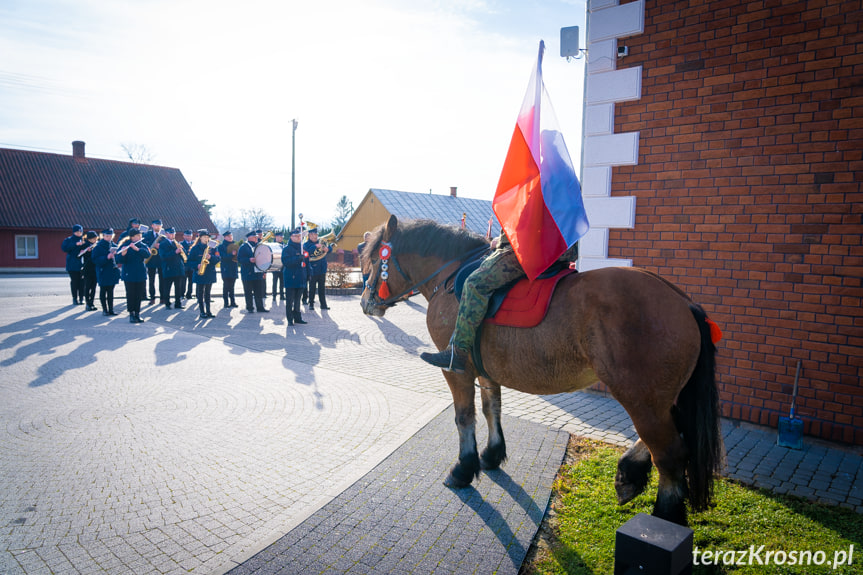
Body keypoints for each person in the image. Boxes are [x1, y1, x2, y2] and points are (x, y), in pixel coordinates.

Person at [420, 231, 526, 373]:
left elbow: (523, 222)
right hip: (553, 248)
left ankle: (457, 352)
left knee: (474, 284)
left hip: (526, 249)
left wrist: (502, 240)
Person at [116, 228, 148, 323]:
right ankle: (131, 313)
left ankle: (137, 313)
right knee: (131, 294)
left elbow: (147, 254)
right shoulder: (125, 245)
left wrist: (137, 249)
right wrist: (123, 254)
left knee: (139, 294)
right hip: (129, 274)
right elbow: (119, 260)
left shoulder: (142, 245)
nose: (139, 237)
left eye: (140, 235)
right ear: (132, 237)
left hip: (140, 273)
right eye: (137, 236)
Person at [188, 229, 220, 319]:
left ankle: (209, 311)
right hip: (199, 273)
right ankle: (202, 311)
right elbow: (189, 261)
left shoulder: (213, 247)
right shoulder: (195, 248)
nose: (206, 239)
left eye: (207, 237)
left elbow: (218, 258)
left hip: (209, 273)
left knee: (208, 294)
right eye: (204, 237)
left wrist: (211, 257)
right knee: (200, 293)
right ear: (200, 238)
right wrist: (196, 265)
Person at [237, 231, 268, 313]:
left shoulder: (259, 246)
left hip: (258, 272)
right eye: (254, 237)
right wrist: (248, 260)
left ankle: (260, 307)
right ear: (249, 238)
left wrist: (264, 271)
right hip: (248, 273)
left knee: (259, 291)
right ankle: (250, 307)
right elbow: (239, 259)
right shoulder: (244, 247)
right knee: (248, 292)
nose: (256, 238)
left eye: (256, 237)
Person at [282, 227, 308, 326]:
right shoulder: (287, 249)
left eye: (299, 236)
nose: (298, 238)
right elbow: (286, 262)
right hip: (291, 278)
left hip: (301, 277)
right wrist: (298, 258)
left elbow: (306, 262)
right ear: (291, 237)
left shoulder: (302, 247)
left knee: (298, 300)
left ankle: (297, 317)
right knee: (290, 300)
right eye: (296, 236)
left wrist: (308, 273)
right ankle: (289, 318)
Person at [92, 228, 120, 316]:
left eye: (110, 236)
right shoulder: (98, 247)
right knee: (103, 290)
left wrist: (117, 255)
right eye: (107, 236)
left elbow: (119, 259)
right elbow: (95, 260)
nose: (109, 238)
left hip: (112, 270)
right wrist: (106, 257)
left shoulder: (114, 246)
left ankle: (111, 309)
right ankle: (104, 309)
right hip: (103, 271)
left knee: (111, 291)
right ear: (103, 236)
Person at [158, 227, 186, 309]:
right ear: (166, 234)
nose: (172, 235)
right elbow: (163, 256)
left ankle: (178, 303)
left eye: (173, 233)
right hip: (168, 268)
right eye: (170, 233)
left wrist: (182, 251)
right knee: (167, 287)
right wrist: (175, 252)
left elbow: (181, 256)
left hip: (178, 268)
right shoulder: (163, 244)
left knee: (178, 287)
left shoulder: (176, 243)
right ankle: (167, 303)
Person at [304, 228, 330, 310]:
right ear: (310, 235)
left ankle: (323, 305)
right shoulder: (306, 244)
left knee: (322, 288)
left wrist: (328, 249)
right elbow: (307, 252)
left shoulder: (321, 241)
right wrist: (314, 246)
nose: (316, 236)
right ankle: (311, 304)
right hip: (313, 269)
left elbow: (329, 247)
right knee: (312, 288)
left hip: (322, 268)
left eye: (316, 234)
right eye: (314, 234)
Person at [61, 224, 86, 305]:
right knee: (74, 282)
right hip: (72, 264)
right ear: (74, 232)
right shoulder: (69, 240)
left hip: (82, 264)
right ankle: (75, 298)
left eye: (80, 231)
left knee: (82, 282)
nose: (79, 233)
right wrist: (75, 244)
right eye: (77, 232)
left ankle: (82, 298)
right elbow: (64, 248)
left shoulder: (84, 240)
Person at [143, 219, 164, 304]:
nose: (158, 227)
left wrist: (160, 246)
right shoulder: (147, 235)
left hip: (160, 260)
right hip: (150, 260)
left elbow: (166, 247)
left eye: (159, 225)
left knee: (162, 280)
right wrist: (152, 246)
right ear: (152, 226)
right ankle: (152, 297)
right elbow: (144, 245)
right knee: (151, 280)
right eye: (156, 225)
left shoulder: (163, 236)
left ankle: (163, 297)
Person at [217, 231, 239, 308]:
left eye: (231, 236)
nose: (230, 237)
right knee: (226, 286)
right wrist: (231, 254)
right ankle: (226, 302)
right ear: (225, 237)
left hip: (233, 268)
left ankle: (233, 302)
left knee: (232, 287)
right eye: (228, 236)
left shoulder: (235, 245)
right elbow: (222, 257)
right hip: (225, 268)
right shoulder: (221, 246)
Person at [80, 231, 99, 311]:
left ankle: (92, 302)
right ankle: (88, 303)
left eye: (96, 238)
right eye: (93, 238)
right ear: (89, 239)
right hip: (87, 269)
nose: (95, 240)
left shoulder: (97, 245)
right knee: (87, 286)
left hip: (95, 268)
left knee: (94, 287)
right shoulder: (84, 245)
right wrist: (85, 251)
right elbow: (80, 255)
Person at [270, 231, 285, 302]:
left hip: (282, 266)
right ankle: (274, 295)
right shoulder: (273, 245)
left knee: (282, 282)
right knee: (275, 282)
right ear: (276, 237)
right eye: (280, 237)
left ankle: (282, 295)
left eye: (282, 237)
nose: (281, 238)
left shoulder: (283, 245)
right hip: (275, 265)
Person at [181, 230, 195, 299]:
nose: (188, 237)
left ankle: (189, 294)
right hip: (184, 265)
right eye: (187, 236)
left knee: (191, 281)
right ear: (184, 236)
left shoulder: (194, 244)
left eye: (190, 236)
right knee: (183, 281)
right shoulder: (181, 244)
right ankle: (181, 294)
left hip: (192, 266)